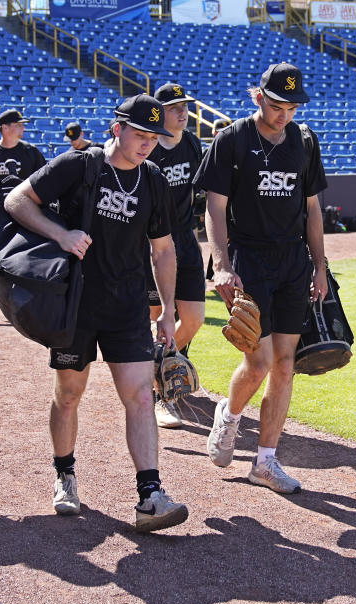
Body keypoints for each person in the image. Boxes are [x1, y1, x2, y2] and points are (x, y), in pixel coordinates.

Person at [3, 94, 188, 533]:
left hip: (127, 305)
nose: (147, 144)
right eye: (140, 134)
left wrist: (166, 310)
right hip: (75, 304)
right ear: (116, 128)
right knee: (68, 394)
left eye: (154, 137)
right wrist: (61, 233)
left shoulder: (154, 181)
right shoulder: (78, 165)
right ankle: (64, 474)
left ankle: (150, 495)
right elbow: (16, 201)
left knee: (141, 395)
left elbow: (163, 252)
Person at [195, 62, 328, 494]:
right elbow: (214, 207)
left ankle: (266, 462)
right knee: (258, 362)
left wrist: (320, 265)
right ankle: (229, 416)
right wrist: (221, 263)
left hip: (292, 260)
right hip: (248, 257)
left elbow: (312, 209)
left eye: (291, 106)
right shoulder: (232, 139)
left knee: (286, 366)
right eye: (275, 105)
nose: (283, 114)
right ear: (257, 97)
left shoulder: (305, 142)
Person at [144, 82, 206, 429]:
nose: (183, 112)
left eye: (185, 106)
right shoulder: (149, 148)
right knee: (156, 317)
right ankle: (159, 395)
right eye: (174, 107)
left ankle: (157, 370)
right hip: (153, 244)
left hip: (186, 240)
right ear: (159, 112)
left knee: (193, 319)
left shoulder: (194, 144)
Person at [0, 109, 47, 324]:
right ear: (5, 127)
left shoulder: (31, 152)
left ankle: (28, 304)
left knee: (28, 258)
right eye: (18, 124)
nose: (22, 127)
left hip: (26, 213)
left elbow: (44, 181)